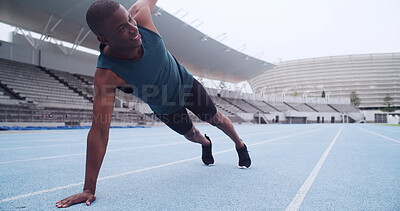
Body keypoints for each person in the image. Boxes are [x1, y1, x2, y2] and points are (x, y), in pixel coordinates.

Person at [56, 0, 251, 208]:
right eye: (122, 28)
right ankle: (206, 144)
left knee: (216, 119)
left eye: (129, 20)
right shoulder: (107, 75)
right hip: (164, 106)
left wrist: (131, 21)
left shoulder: (142, 15)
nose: (133, 29)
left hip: (186, 85)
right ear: (104, 39)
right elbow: (99, 131)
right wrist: (88, 189)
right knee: (191, 134)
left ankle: (240, 145)